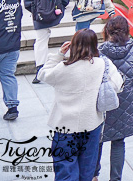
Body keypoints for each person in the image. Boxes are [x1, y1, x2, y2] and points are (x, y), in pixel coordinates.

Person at [40, 28, 124, 181]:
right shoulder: (102, 64)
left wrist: (58, 55)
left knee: (65, 168)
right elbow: (118, 84)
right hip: (91, 124)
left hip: (65, 125)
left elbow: (43, 74)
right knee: (87, 169)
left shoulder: (64, 67)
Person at [96, 15, 133, 181]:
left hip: (102, 98)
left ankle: (93, 174)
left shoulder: (100, 50)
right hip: (125, 98)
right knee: (118, 141)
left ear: (107, 31)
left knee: (98, 138)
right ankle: (115, 178)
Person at [23, 0, 71, 83]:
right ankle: (44, 66)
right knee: (43, 37)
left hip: (39, 19)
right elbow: (65, 1)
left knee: (41, 41)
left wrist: (36, 11)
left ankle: (40, 67)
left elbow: (27, 1)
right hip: (54, 17)